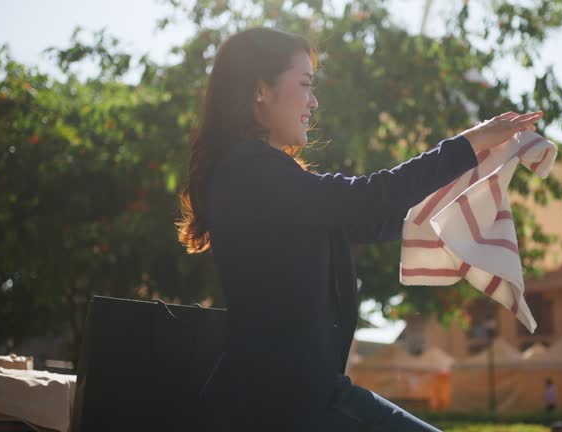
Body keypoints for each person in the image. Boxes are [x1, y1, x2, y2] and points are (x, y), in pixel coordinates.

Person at [175, 26, 543, 431]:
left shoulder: (262, 177)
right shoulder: (250, 170)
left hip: (292, 400)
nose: (313, 102)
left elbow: (375, 217)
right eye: (305, 84)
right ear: (260, 90)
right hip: (281, 403)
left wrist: (473, 185)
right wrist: (471, 142)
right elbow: (368, 197)